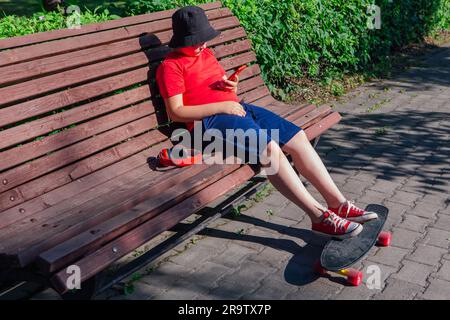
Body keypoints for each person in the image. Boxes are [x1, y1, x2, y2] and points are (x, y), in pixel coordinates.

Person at [156, 6, 378, 239]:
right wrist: (222, 106)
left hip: (238, 109)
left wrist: (230, 86)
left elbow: (210, 85)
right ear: (181, 40)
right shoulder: (170, 67)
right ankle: (320, 217)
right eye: (195, 41)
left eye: (204, 39)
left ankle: (338, 204)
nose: (202, 45)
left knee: (298, 138)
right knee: (270, 151)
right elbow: (176, 112)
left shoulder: (206, 53)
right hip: (209, 124)